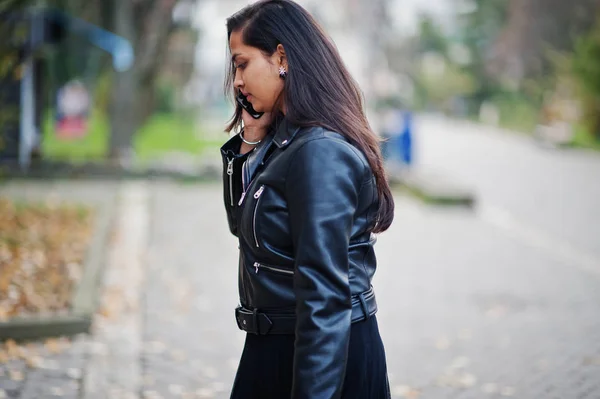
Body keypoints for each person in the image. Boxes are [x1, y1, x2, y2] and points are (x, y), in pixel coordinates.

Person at [220, 1, 395, 398]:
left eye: (242, 63)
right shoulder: (286, 141)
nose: (237, 81)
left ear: (281, 56)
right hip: (280, 347)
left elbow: (325, 299)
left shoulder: (319, 153)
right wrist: (250, 139)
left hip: (318, 355)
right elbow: (245, 228)